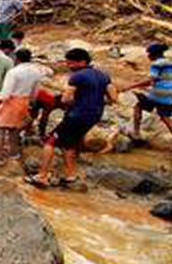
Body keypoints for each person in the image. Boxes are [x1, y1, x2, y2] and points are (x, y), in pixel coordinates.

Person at [32, 48, 116, 188]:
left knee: (51, 141)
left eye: (71, 63)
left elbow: (65, 99)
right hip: (94, 116)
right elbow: (113, 98)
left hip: (77, 115)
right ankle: (70, 176)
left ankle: (42, 176)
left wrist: (76, 102)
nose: (68, 66)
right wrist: (96, 101)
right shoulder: (104, 75)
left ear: (82, 62)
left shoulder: (77, 76)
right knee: (69, 144)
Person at [124, 42, 172, 155]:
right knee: (165, 116)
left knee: (138, 106)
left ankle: (136, 133)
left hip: (158, 93)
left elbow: (151, 81)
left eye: (149, 54)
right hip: (170, 93)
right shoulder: (171, 63)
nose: (148, 56)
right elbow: (165, 79)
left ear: (154, 54)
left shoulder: (156, 64)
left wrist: (132, 86)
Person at [0, 48, 40, 159]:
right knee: (14, 129)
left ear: (16, 58)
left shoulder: (13, 72)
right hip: (24, 101)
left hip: (11, 102)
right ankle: (14, 153)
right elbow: (35, 92)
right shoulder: (36, 72)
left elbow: (6, 93)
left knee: (0, 128)